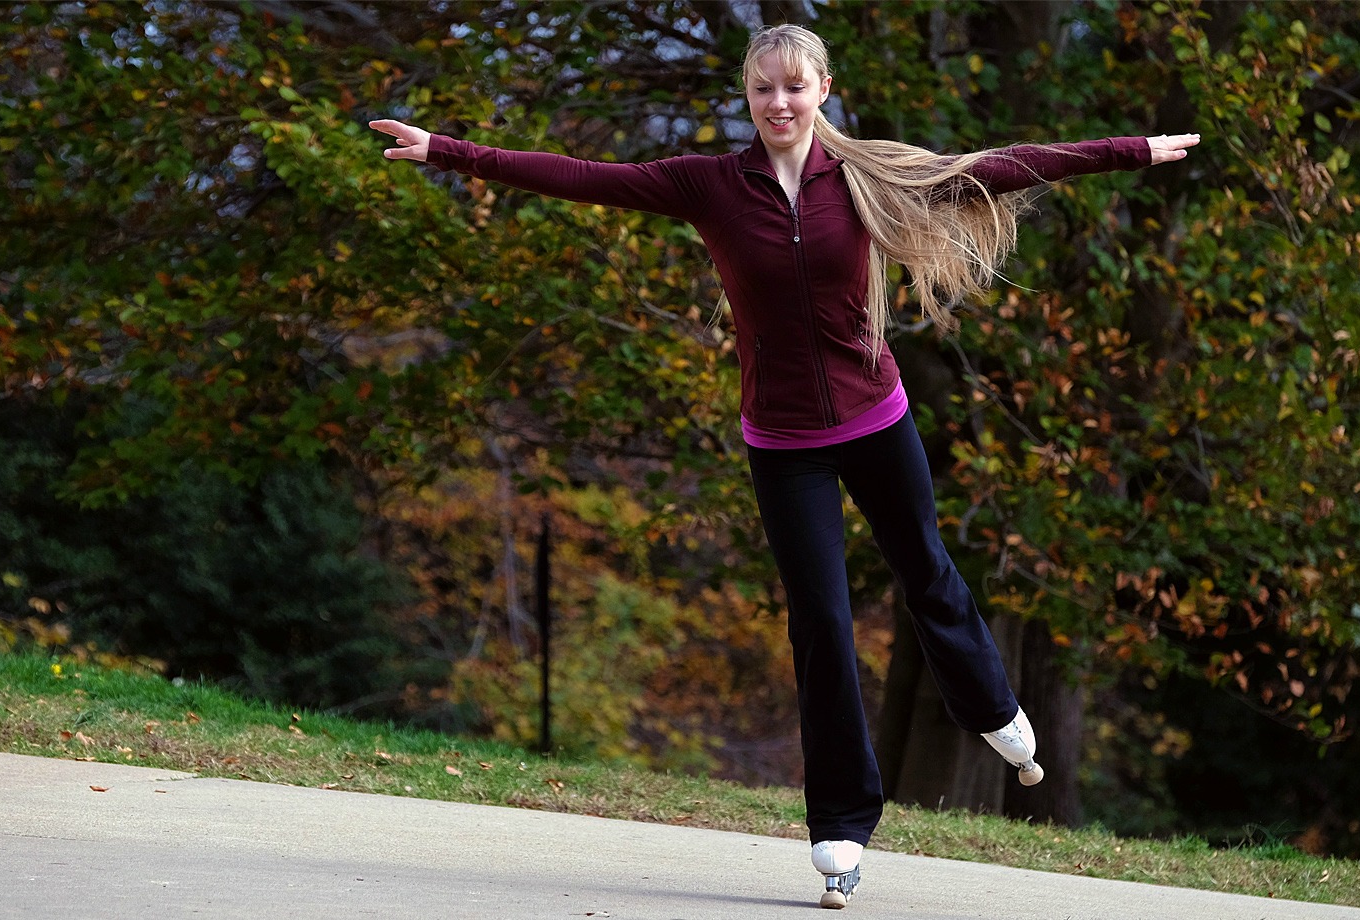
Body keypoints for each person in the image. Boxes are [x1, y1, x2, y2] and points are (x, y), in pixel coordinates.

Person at [373, 23, 1197, 910]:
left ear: (823, 90)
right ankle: (841, 826)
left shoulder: (869, 178)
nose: (779, 104)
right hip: (785, 442)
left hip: (876, 418)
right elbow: (581, 176)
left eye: (794, 88)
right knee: (821, 625)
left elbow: (1005, 166)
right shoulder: (710, 187)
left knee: (925, 569)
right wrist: (448, 152)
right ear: (748, 97)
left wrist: (1130, 151)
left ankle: (994, 710)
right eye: (763, 90)